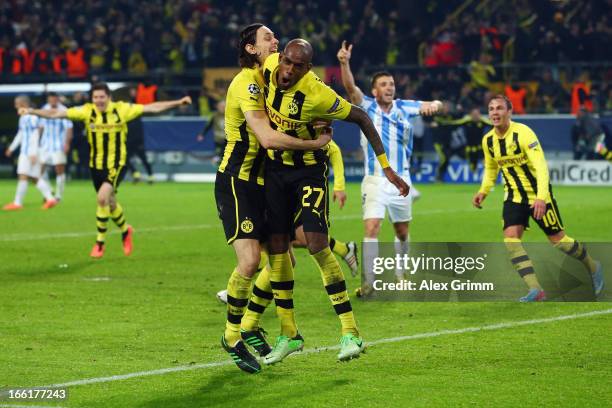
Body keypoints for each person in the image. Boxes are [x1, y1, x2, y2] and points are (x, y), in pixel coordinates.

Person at [254, 38, 408, 365]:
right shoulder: (267, 69)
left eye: (298, 66)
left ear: (307, 69)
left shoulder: (319, 95)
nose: (288, 71)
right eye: (287, 62)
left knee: (316, 245)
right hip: (276, 171)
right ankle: (289, 334)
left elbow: (364, 119)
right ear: (280, 58)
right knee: (278, 248)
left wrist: (387, 169)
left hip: (309, 172)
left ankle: (350, 332)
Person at [216, 24, 333, 374]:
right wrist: (314, 144)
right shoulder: (247, 82)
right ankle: (232, 335)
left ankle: (250, 325)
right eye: (267, 38)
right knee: (250, 261)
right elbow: (266, 138)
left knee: (285, 262)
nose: (275, 41)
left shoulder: (273, 79)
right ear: (251, 49)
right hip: (239, 182)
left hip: (265, 182)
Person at [20, 82, 192, 258]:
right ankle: (126, 230)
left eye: (102, 97)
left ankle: (99, 243)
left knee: (102, 198)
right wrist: (33, 111)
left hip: (117, 163)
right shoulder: (87, 111)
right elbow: (56, 113)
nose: (99, 100)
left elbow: (152, 108)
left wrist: (177, 103)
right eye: (95, 97)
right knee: (110, 203)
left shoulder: (122, 109)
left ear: (109, 97)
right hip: (96, 166)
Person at [472, 95, 604, 301]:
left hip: (538, 195)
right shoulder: (488, 140)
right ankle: (535, 289)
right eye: (491, 109)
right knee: (510, 239)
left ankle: (593, 266)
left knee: (558, 241)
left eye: (499, 108)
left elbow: (541, 166)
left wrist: (541, 198)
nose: (494, 113)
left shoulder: (524, 133)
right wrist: (483, 191)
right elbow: (491, 168)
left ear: (509, 111)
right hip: (514, 197)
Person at [337, 41, 441, 295]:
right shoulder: (367, 107)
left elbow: (437, 103)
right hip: (374, 179)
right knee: (372, 226)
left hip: (401, 180)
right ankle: (369, 282)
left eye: (392, 84)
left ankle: (401, 272)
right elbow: (350, 87)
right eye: (384, 84)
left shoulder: (405, 107)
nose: (389, 87)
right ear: (374, 90)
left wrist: (433, 106)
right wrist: (344, 62)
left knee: (402, 231)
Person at [3, 95, 57, 210]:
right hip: (28, 151)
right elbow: (21, 134)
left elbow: (35, 134)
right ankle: (50, 199)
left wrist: (33, 152)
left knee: (23, 175)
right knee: (34, 177)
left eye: (16, 103)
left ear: (23, 104)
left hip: (29, 152)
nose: (15, 106)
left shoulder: (31, 117)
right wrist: (12, 148)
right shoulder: (23, 117)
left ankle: (17, 203)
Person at [39, 92, 73, 201]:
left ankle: (58, 196)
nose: (52, 101)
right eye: (51, 99)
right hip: (45, 144)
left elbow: (69, 128)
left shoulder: (64, 110)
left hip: (58, 144)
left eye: (54, 99)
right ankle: (48, 191)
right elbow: (41, 126)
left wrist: (67, 143)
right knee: (39, 171)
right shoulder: (44, 108)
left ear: (57, 99)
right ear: (48, 100)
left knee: (59, 170)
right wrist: (36, 141)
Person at [126, 87, 154, 183]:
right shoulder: (126, 118)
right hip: (131, 141)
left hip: (136, 141)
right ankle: (136, 174)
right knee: (125, 159)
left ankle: (150, 176)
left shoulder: (137, 114)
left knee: (143, 159)